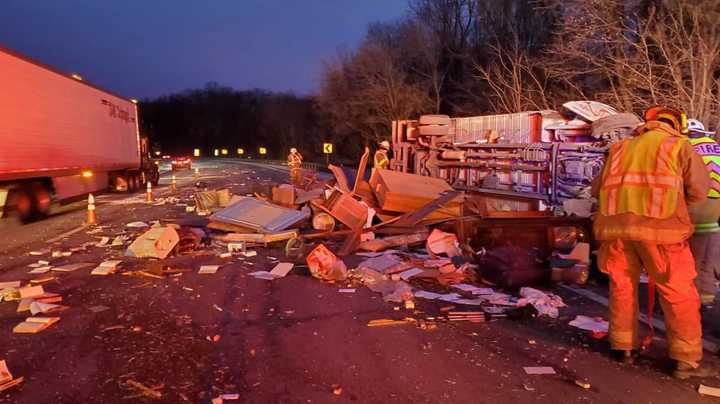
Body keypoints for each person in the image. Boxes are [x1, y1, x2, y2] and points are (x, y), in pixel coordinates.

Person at [592, 106, 714, 379]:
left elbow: (596, 189)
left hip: (617, 231)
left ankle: (623, 347)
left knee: (622, 287)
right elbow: (699, 190)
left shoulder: (620, 148)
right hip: (662, 231)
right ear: (677, 126)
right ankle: (685, 359)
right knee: (677, 292)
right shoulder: (678, 146)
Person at [686, 119, 720, 307]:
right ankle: (707, 296)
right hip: (716, 203)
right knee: (710, 252)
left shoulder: (688, 147)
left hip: (699, 202)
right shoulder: (715, 147)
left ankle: (693, 298)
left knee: (694, 255)